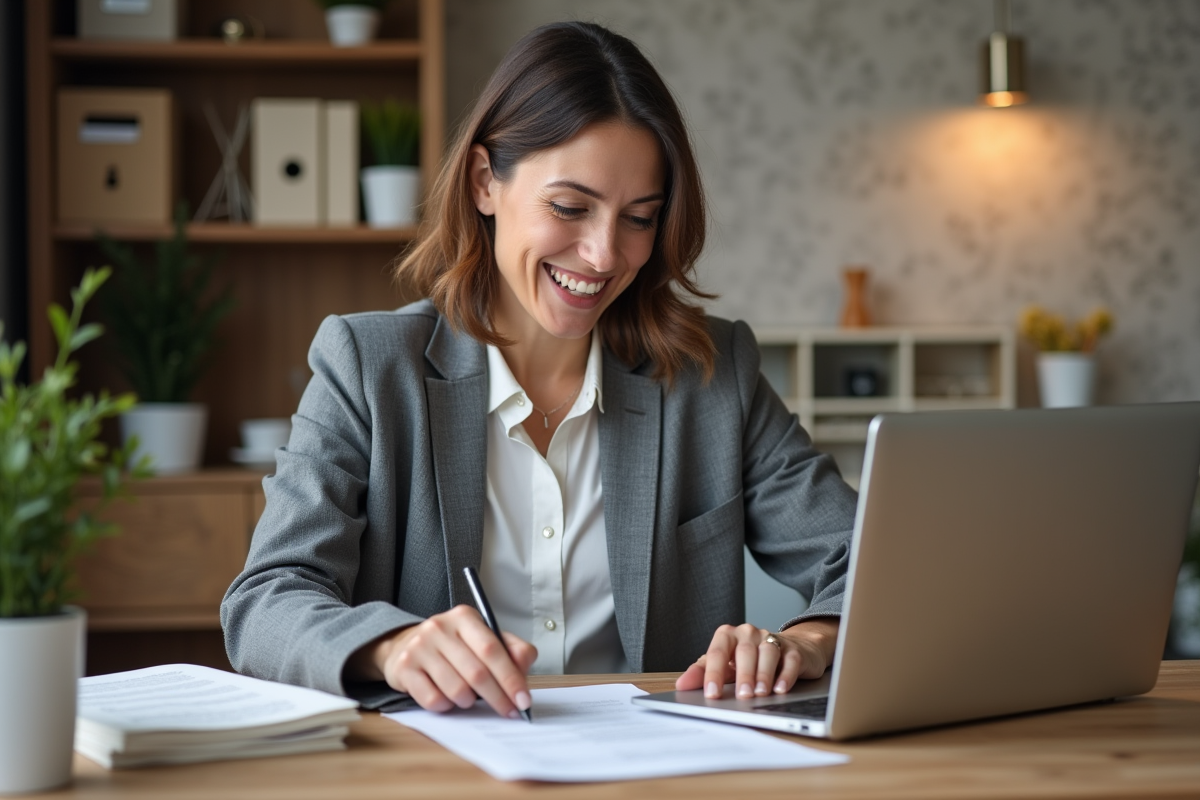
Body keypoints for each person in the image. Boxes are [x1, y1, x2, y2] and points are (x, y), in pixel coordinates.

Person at [221, 21, 857, 720]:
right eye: (569, 207)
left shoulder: (712, 374)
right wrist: (392, 647)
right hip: (436, 766)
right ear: (484, 182)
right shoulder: (368, 368)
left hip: (661, 766)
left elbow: (869, 557)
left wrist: (809, 639)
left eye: (639, 218)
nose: (604, 255)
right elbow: (266, 601)